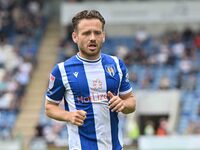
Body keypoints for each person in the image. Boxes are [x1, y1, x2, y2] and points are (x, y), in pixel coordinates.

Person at [45, 10, 136, 150]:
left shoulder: (116, 64)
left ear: (103, 36)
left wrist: (123, 104)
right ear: (75, 37)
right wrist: (68, 115)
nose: (92, 38)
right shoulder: (62, 70)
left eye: (97, 33)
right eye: (86, 33)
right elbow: (50, 107)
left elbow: (131, 103)